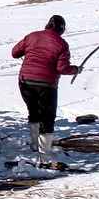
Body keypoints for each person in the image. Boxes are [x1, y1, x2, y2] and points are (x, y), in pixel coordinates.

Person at [11, 15, 80, 156]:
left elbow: (14, 53)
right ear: (61, 29)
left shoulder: (32, 36)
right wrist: (75, 69)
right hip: (47, 85)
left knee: (34, 112)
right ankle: (45, 151)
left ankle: (35, 145)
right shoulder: (61, 44)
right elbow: (62, 68)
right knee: (47, 117)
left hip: (25, 82)